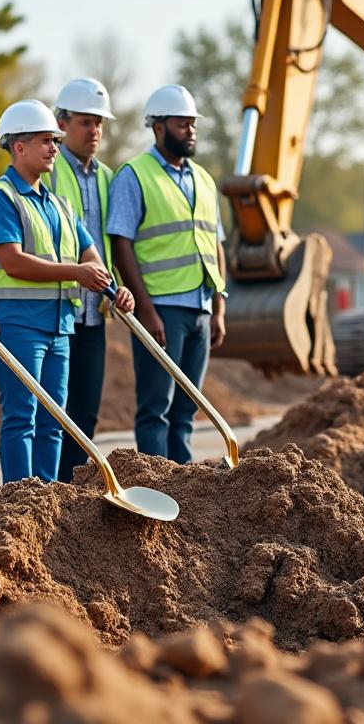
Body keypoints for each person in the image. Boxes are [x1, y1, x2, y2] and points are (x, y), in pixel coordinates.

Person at [0, 99, 133, 484]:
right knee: (22, 417)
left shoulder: (59, 204)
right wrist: (78, 272)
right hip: (17, 324)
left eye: (56, 141)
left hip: (60, 327)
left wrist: (115, 289)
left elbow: (89, 254)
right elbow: (13, 262)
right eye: (45, 140)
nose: (54, 149)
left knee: (53, 421)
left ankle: (48, 498)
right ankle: (18, 499)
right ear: (18, 146)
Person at [108, 85, 226, 465]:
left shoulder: (203, 179)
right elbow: (121, 243)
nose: (190, 131)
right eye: (182, 124)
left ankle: (184, 484)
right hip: (161, 308)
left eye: (193, 124)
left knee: (187, 408)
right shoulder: (134, 175)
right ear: (158, 127)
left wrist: (219, 307)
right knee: (156, 407)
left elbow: (215, 244)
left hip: (200, 308)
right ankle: (159, 483)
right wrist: (146, 310)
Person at [49, 78, 119, 482]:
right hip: (58, 308)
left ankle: (74, 489)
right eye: (85, 122)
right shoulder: (48, 170)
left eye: (99, 123)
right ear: (62, 123)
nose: (94, 131)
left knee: (86, 411)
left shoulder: (107, 177)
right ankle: (50, 490)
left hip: (95, 312)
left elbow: (107, 242)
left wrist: (116, 286)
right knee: (54, 411)